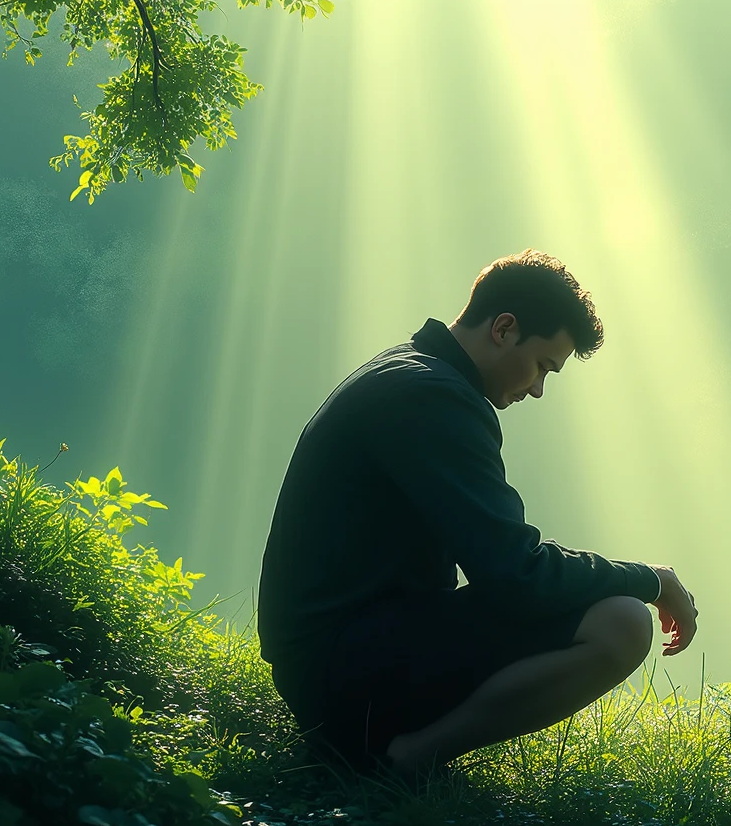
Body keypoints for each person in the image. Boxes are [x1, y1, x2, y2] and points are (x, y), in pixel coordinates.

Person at [257, 250, 697, 774]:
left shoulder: (411, 373)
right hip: (337, 669)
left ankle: (398, 748)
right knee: (623, 622)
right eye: (542, 366)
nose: (537, 388)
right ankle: (408, 761)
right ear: (505, 328)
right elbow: (517, 575)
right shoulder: (433, 398)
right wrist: (651, 579)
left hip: (331, 653)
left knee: (608, 607)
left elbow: (507, 566)